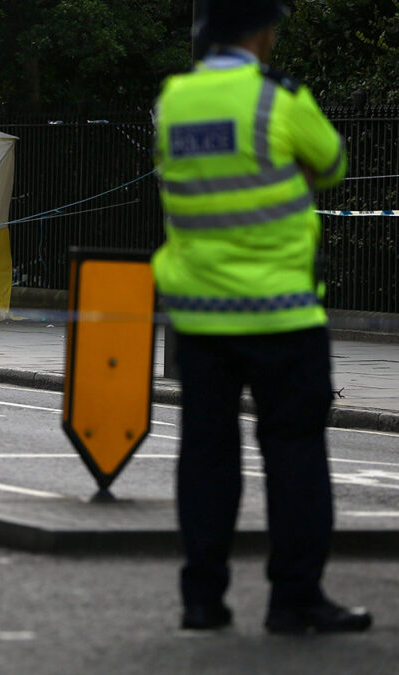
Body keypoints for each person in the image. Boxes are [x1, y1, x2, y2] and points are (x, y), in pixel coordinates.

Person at [152, 0, 372, 633]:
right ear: (260, 32)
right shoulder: (280, 99)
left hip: (199, 317)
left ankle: (202, 599)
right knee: (295, 453)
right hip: (281, 315)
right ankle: (295, 599)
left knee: (206, 455)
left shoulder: (175, 102)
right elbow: (331, 164)